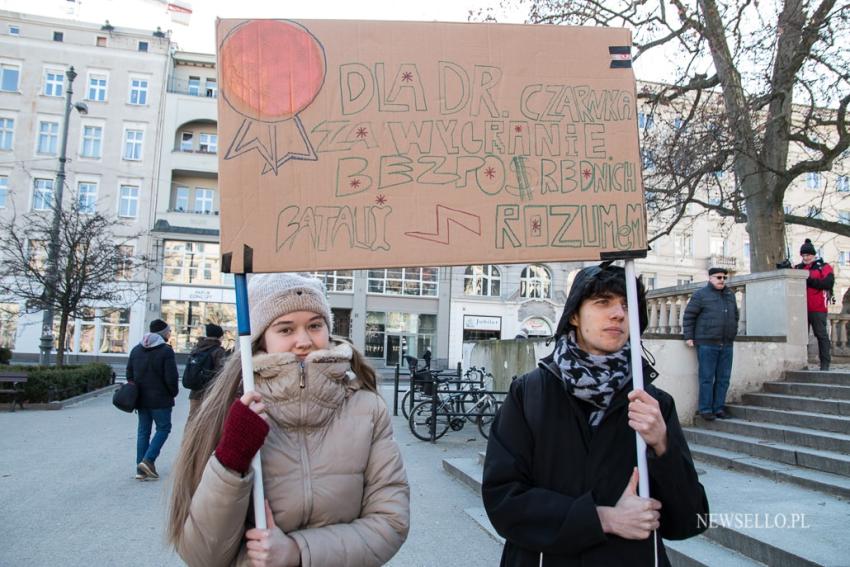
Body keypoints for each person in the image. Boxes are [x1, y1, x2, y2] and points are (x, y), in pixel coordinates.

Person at [167, 273, 409, 567]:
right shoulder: (232, 410)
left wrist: (298, 551)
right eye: (285, 329)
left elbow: (390, 523)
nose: (304, 341)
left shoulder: (368, 409)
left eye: (315, 325)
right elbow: (202, 554)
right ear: (260, 339)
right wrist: (231, 460)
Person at [482, 264, 708, 566]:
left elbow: (690, 520)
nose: (618, 314)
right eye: (603, 302)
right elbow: (503, 500)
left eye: (627, 306)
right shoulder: (529, 394)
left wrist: (662, 446)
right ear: (574, 314)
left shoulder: (652, 404)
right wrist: (603, 519)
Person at [682, 267, 739, 421]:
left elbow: (736, 316)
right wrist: (689, 336)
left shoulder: (730, 295)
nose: (722, 280)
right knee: (707, 377)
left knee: (723, 378)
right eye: (718, 277)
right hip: (707, 343)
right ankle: (705, 409)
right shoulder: (700, 295)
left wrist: (733, 333)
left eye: (724, 277)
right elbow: (689, 316)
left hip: (727, 344)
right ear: (710, 278)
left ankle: (719, 408)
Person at [127, 318, 179, 481]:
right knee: (163, 428)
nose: (169, 334)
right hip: (160, 400)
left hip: (141, 400)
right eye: (168, 332)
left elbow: (129, 374)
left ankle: (140, 469)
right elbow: (171, 377)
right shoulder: (166, 351)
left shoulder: (136, 350)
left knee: (143, 432)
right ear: (163, 334)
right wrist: (172, 393)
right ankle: (148, 460)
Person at [795, 239, 834, 371]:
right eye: (803, 255)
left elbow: (827, 284)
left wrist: (808, 280)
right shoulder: (798, 268)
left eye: (808, 255)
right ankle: (801, 364)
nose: (805, 258)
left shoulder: (824, 267)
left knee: (821, 335)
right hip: (800, 309)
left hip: (818, 308)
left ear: (813, 255)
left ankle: (825, 364)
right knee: (800, 337)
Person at [185, 322, 228, 422]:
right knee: (207, 421)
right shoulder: (218, 351)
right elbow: (221, 373)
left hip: (195, 391)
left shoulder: (197, 348)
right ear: (219, 336)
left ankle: (188, 437)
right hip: (210, 392)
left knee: (192, 419)